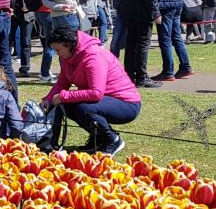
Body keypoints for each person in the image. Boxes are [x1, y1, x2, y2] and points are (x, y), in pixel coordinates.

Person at [41, 26, 141, 156]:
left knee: (83, 108)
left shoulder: (93, 56)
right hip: (102, 101)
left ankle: (112, 140)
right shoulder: (68, 57)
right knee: (64, 105)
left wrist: (63, 95)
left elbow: (96, 93)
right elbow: (63, 82)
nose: (57, 53)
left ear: (69, 45)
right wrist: (49, 99)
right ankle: (54, 144)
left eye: (58, 49)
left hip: (126, 103)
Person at [30, 0, 58, 82]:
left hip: (39, 11)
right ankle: (45, 73)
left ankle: (46, 71)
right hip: (47, 11)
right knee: (51, 44)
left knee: (47, 43)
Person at [11, 0, 34, 77]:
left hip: (27, 13)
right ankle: (5, 66)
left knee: (26, 41)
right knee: (8, 40)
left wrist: (29, 6)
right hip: (12, 12)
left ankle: (25, 68)